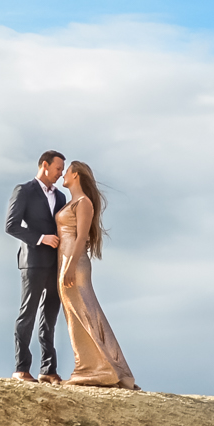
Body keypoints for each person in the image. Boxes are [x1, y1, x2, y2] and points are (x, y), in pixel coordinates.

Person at [55, 159, 138, 389]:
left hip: (74, 263)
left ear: (76, 175)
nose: (63, 175)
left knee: (84, 313)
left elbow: (81, 237)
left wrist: (69, 266)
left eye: (67, 171)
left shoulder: (83, 203)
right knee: (76, 315)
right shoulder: (73, 202)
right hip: (65, 261)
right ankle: (97, 367)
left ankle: (96, 370)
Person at [3, 151, 68, 383]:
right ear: (45, 165)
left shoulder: (61, 197)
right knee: (27, 314)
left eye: (63, 170)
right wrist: (42, 238)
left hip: (55, 264)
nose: (61, 174)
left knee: (50, 318)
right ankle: (21, 369)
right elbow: (11, 226)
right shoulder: (24, 191)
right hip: (32, 262)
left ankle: (48, 370)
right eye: (59, 168)